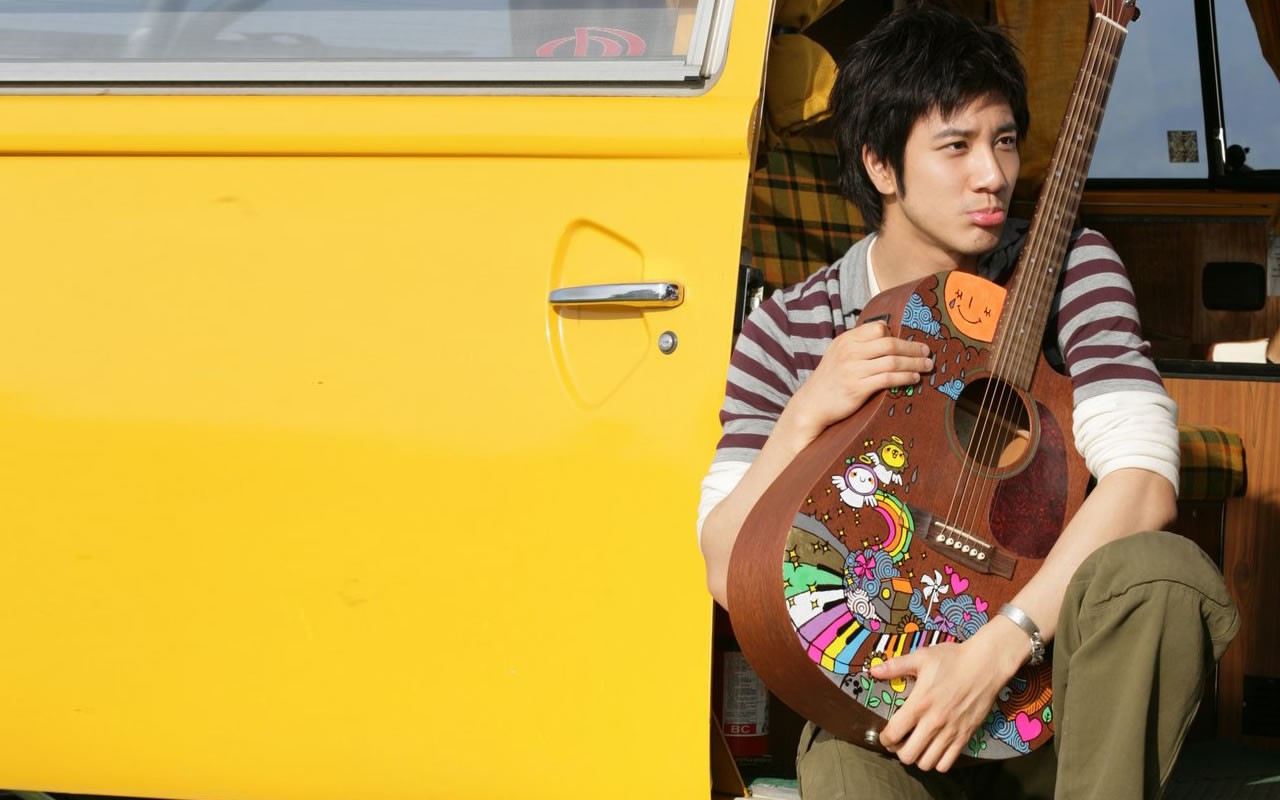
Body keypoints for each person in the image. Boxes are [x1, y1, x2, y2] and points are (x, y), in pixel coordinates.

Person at [696, 5, 1239, 799]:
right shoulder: (791, 326)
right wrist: (808, 412)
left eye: (1005, 141)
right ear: (881, 166)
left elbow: (1144, 483)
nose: (993, 174)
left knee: (1163, 572)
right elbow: (724, 567)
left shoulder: (1070, 267)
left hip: (1054, 700)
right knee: (843, 770)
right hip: (887, 711)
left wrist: (995, 650)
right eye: (956, 147)